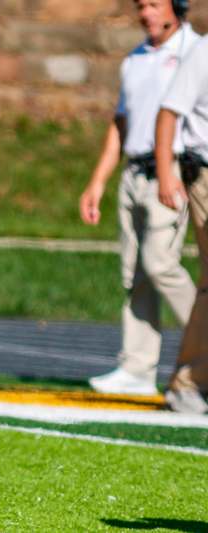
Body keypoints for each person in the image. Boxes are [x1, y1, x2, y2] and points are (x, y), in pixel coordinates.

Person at [79, 0, 198, 396]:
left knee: (160, 263)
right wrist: (97, 182)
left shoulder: (194, 52)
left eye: (154, 4)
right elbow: (120, 124)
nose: (145, 13)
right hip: (134, 170)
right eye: (141, 5)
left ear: (176, 7)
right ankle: (137, 367)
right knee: (135, 274)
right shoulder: (134, 59)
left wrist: (170, 172)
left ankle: (205, 344)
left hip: (174, 169)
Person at [154, 33, 208, 414]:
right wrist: (165, 173)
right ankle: (190, 380)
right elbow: (169, 112)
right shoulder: (204, 51)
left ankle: (189, 381)